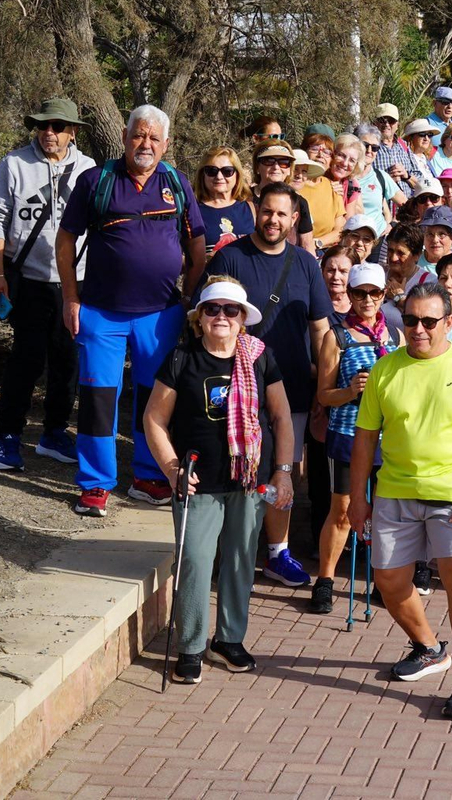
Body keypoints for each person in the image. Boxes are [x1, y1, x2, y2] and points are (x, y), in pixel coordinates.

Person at [348, 282, 452, 719]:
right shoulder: (385, 369)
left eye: (429, 321)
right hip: (394, 492)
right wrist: (358, 497)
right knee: (388, 581)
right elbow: (365, 439)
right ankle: (429, 648)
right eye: (411, 320)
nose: (418, 329)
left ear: (448, 322)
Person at [143, 277, 295, 683]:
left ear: (243, 317)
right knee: (195, 561)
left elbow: (281, 417)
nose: (222, 316)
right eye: (213, 309)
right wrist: (172, 468)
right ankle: (191, 645)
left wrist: (283, 472)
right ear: (200, 317)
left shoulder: (261, 357)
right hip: (198, 481)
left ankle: (228, 640)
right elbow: (154, 419)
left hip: (249, 479)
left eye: (231, 310)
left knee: (241, 560)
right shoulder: (181, 357)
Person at [57, 105, 207, 515]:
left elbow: (196, 244)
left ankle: (149, 475)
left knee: (154, 398)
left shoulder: (176, 183)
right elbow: (66, 240)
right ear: (124, 137)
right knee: (98, 398)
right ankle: (95, 483)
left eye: (154, 138)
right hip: (100, 312)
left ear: (166, 144)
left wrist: (188, 298)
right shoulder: (96, 180)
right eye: (139, 135)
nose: (145, 144)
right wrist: (70, 298)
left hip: (160, 315)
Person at [206, 183, 332, 587]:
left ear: (294, 219)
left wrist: (323, 386)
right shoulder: (231, 257)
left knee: (284, 468)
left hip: (292, 386)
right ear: (256, 212)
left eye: (281, 214)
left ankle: (277, 552)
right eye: (267, 211)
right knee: (231, 463)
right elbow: (206, 317)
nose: (273, 220)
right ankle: (225, 548)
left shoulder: (306, 264)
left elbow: (320, 329)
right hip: (235, 386)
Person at [0, 98, 96, 473]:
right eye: (43, 125)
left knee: (67, 361)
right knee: (26, 359)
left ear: (73, 132)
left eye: (58, 126)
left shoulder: (88, 169)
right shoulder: (14, 164)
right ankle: (8, 435)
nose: (49, 132)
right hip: (29, 280)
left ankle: (54, 433)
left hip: (74, 283)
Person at [309, 263, 400, 614]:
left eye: (374, 293)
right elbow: (323, 395)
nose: (367, 299)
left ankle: (381, 580)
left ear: (383, 294)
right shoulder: (337, 337)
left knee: (385, 512)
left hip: (389, 437)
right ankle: (325, 581)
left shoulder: (395, 334)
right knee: (343, 511)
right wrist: (349, 391)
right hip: (349, 434)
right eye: (359, 293)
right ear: (349, 294)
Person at [194, 146, 253, 254]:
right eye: (212, 171)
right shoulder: (192, 211)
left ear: (237, 175)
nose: (219, 177)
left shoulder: (251, 209)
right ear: (202, 175)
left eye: (227, 171)